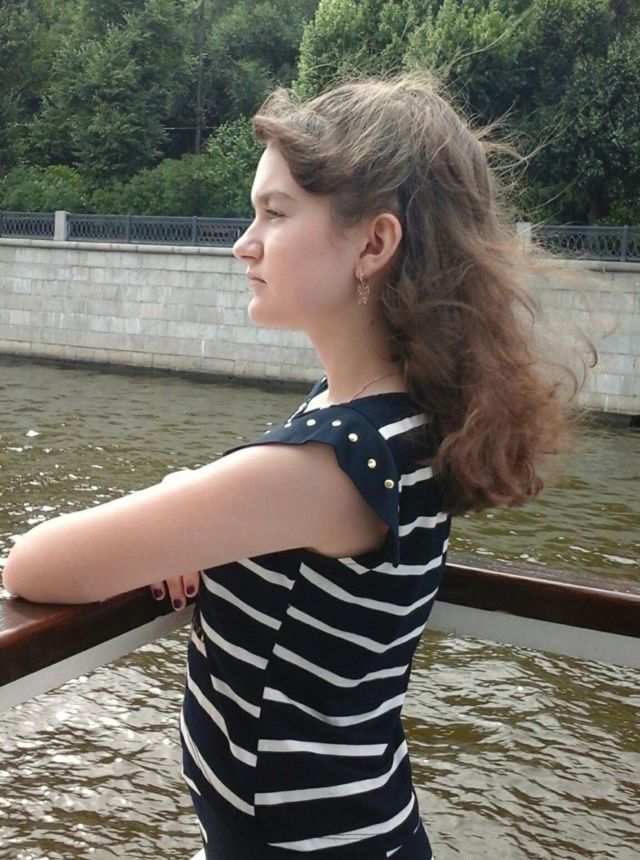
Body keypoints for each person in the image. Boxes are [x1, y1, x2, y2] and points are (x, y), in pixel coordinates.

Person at [3, 74, 576, 859]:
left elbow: (35, 565)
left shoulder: (331, 463)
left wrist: (188, 512)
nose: (245, 242)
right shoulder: (398, 421)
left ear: (373, 245)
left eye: (275, 213)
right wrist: (196, 511)